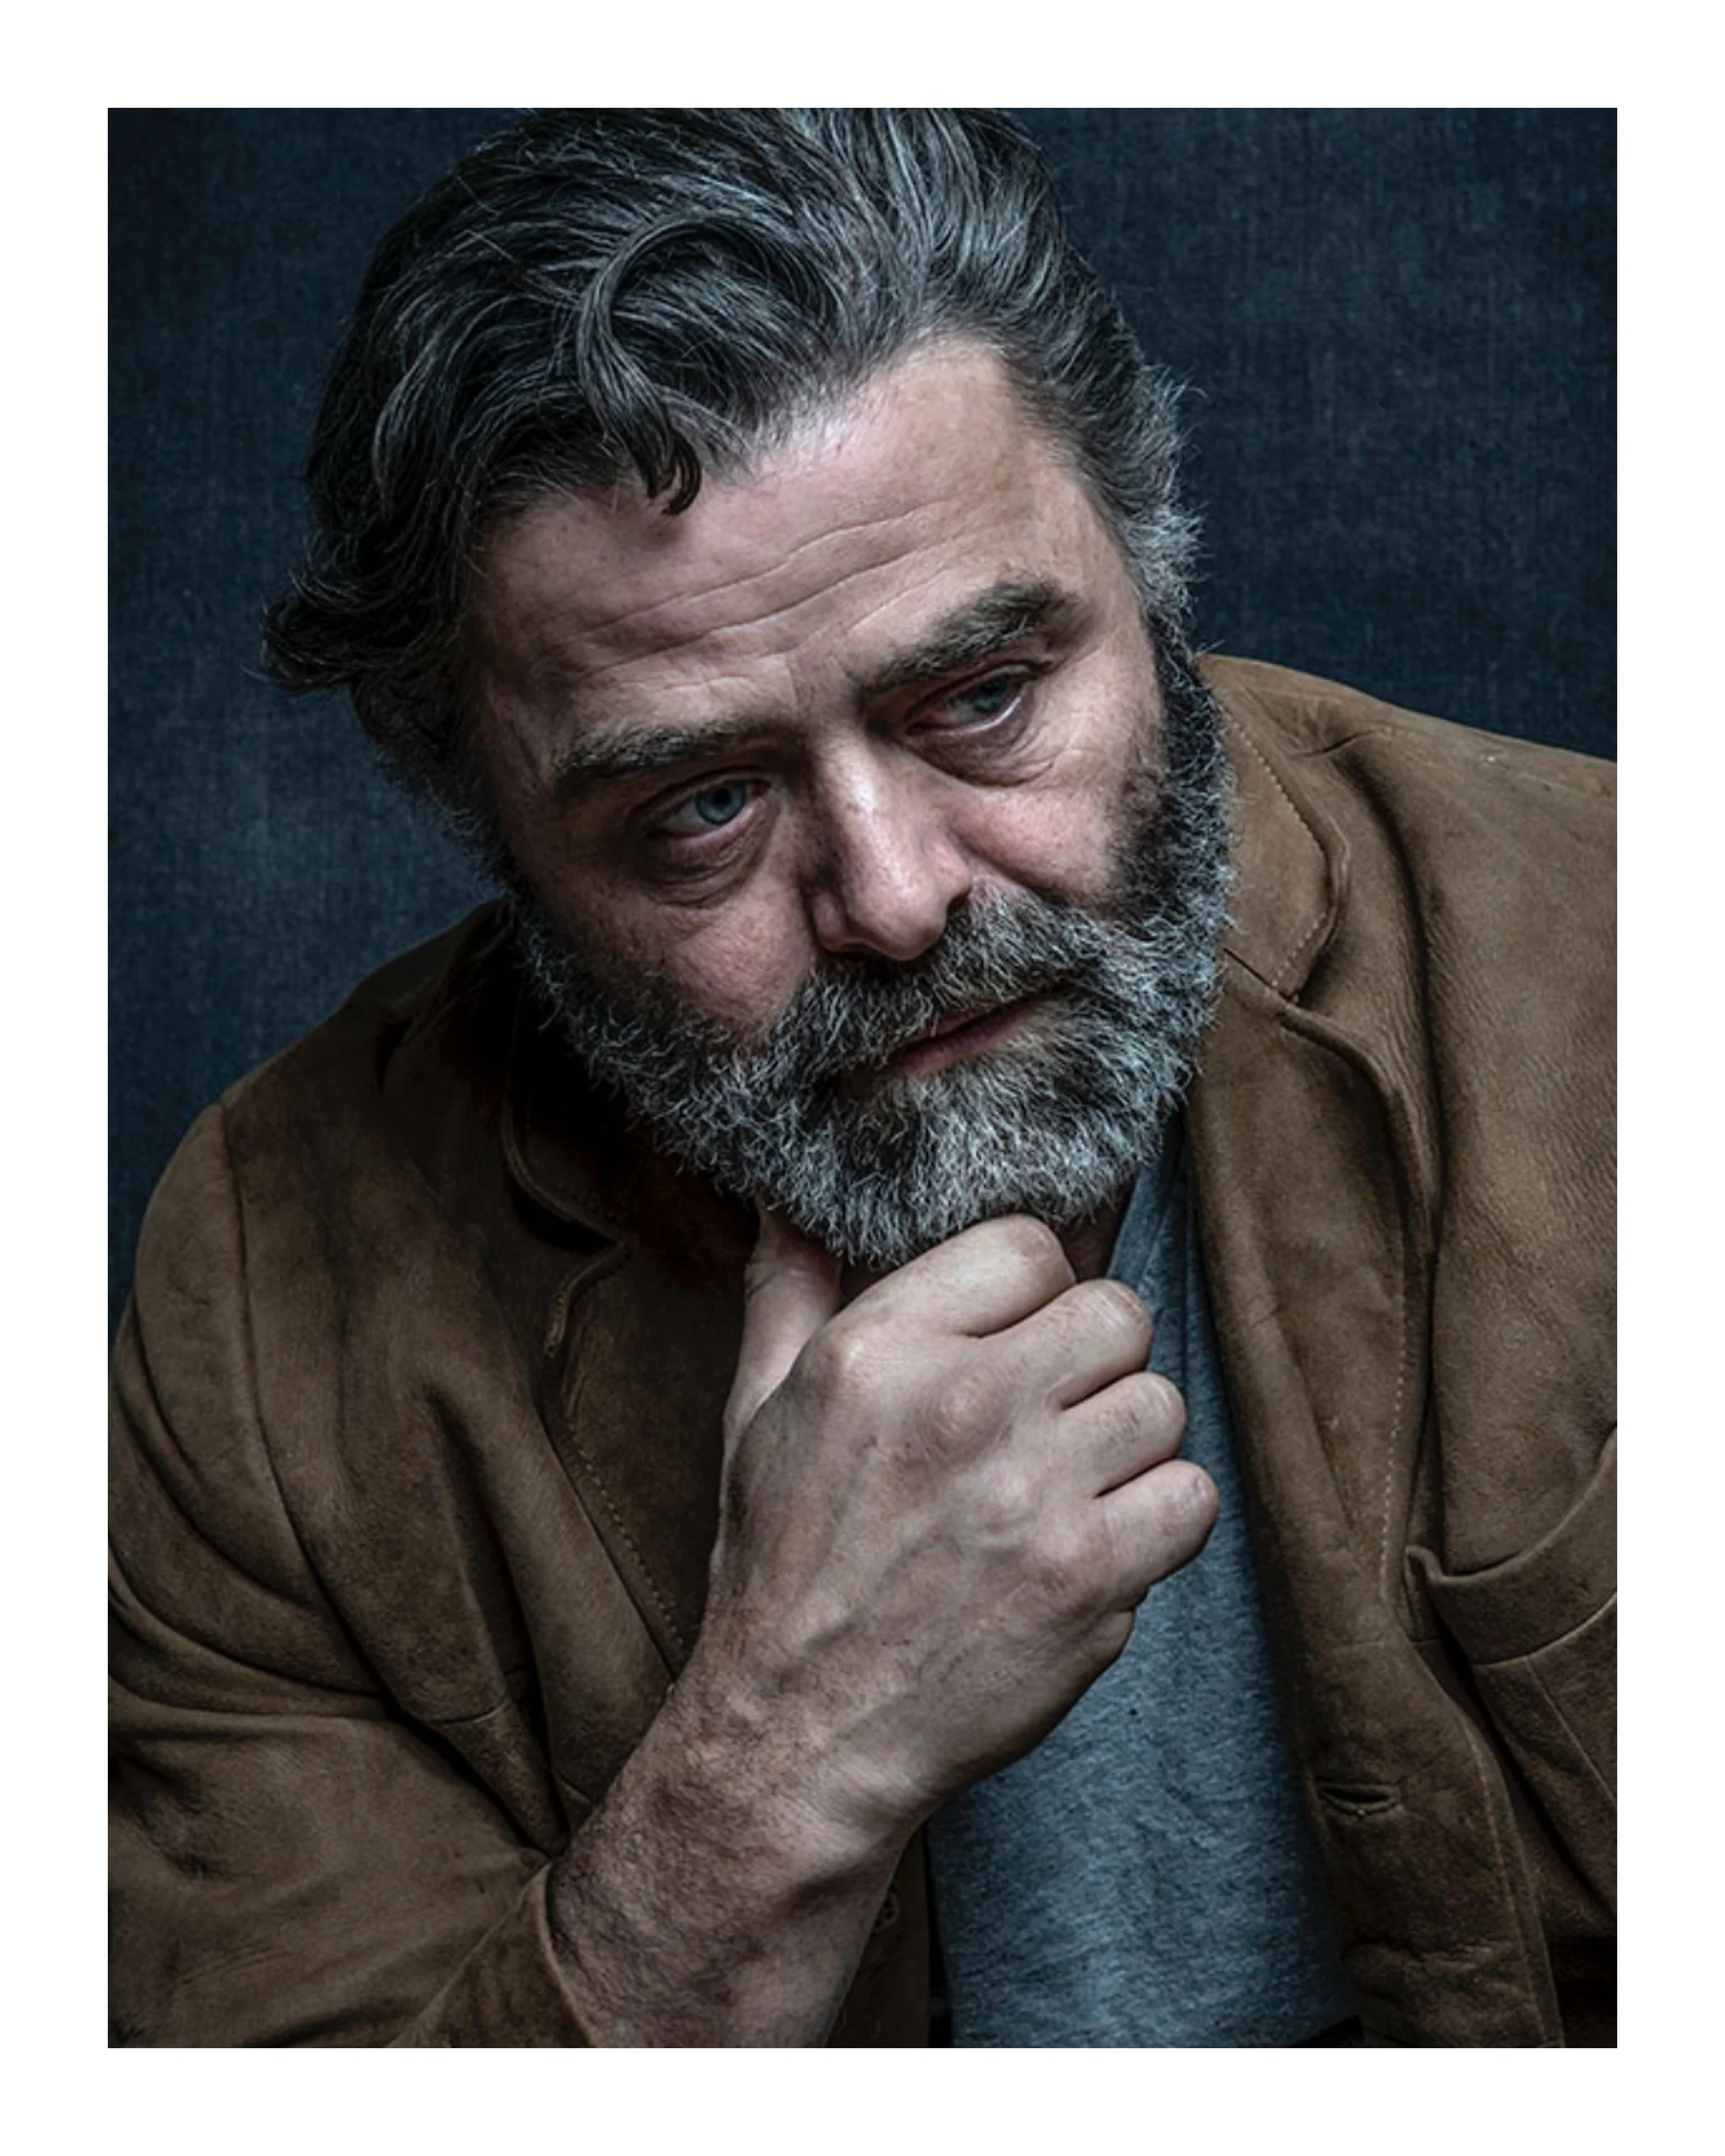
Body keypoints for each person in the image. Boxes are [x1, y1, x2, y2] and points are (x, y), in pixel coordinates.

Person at [108, 109, 1615, 2048]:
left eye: (980, 700)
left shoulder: (1630, 970)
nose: (897, 902)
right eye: (704, 807)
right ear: (493, 831)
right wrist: (780, 1761)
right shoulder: (263, 1298)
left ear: (1150, 584)